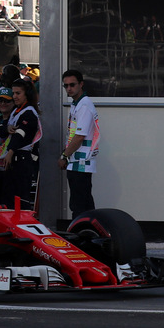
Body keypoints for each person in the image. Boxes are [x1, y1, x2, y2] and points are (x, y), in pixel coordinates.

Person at [60, 69, 100, 217]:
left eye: (72, 85)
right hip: (77, 160)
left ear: (81, 84)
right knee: (83, 203)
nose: (69, 88)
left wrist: (64, 156)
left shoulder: (83, 106)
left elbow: (79, 137)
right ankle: (89, 232)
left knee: (79, 204)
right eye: (66, 86)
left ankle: (82, 235)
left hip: (81, 162)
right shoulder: (77, 104)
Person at [3, 79, 42, 206]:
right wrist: (6, 128)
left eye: (18, 93)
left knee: (21, 197)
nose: (14, 96)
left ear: (27, 94)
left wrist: (10, 152)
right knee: (10, 196)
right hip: (14, 157)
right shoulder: (16, 110)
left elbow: (20, 134)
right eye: (13, 93)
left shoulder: (29, 112)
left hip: (23, 158)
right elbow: (3, 127)